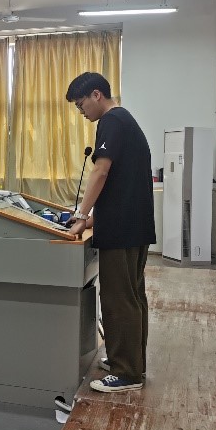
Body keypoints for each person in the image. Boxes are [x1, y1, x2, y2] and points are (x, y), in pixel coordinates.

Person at [65, 72, 155, 393]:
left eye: (81, 105)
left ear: (97, 95)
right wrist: (92, 220)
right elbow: (121, 183)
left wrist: (81, 215)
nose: (81, 112)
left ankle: (127, 373)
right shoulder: (125, 120)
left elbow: (101, 171)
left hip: (121, 230)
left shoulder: (112, 121)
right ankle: (131, 361)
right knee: (133, 297)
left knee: (118, 300)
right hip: (134, 225)